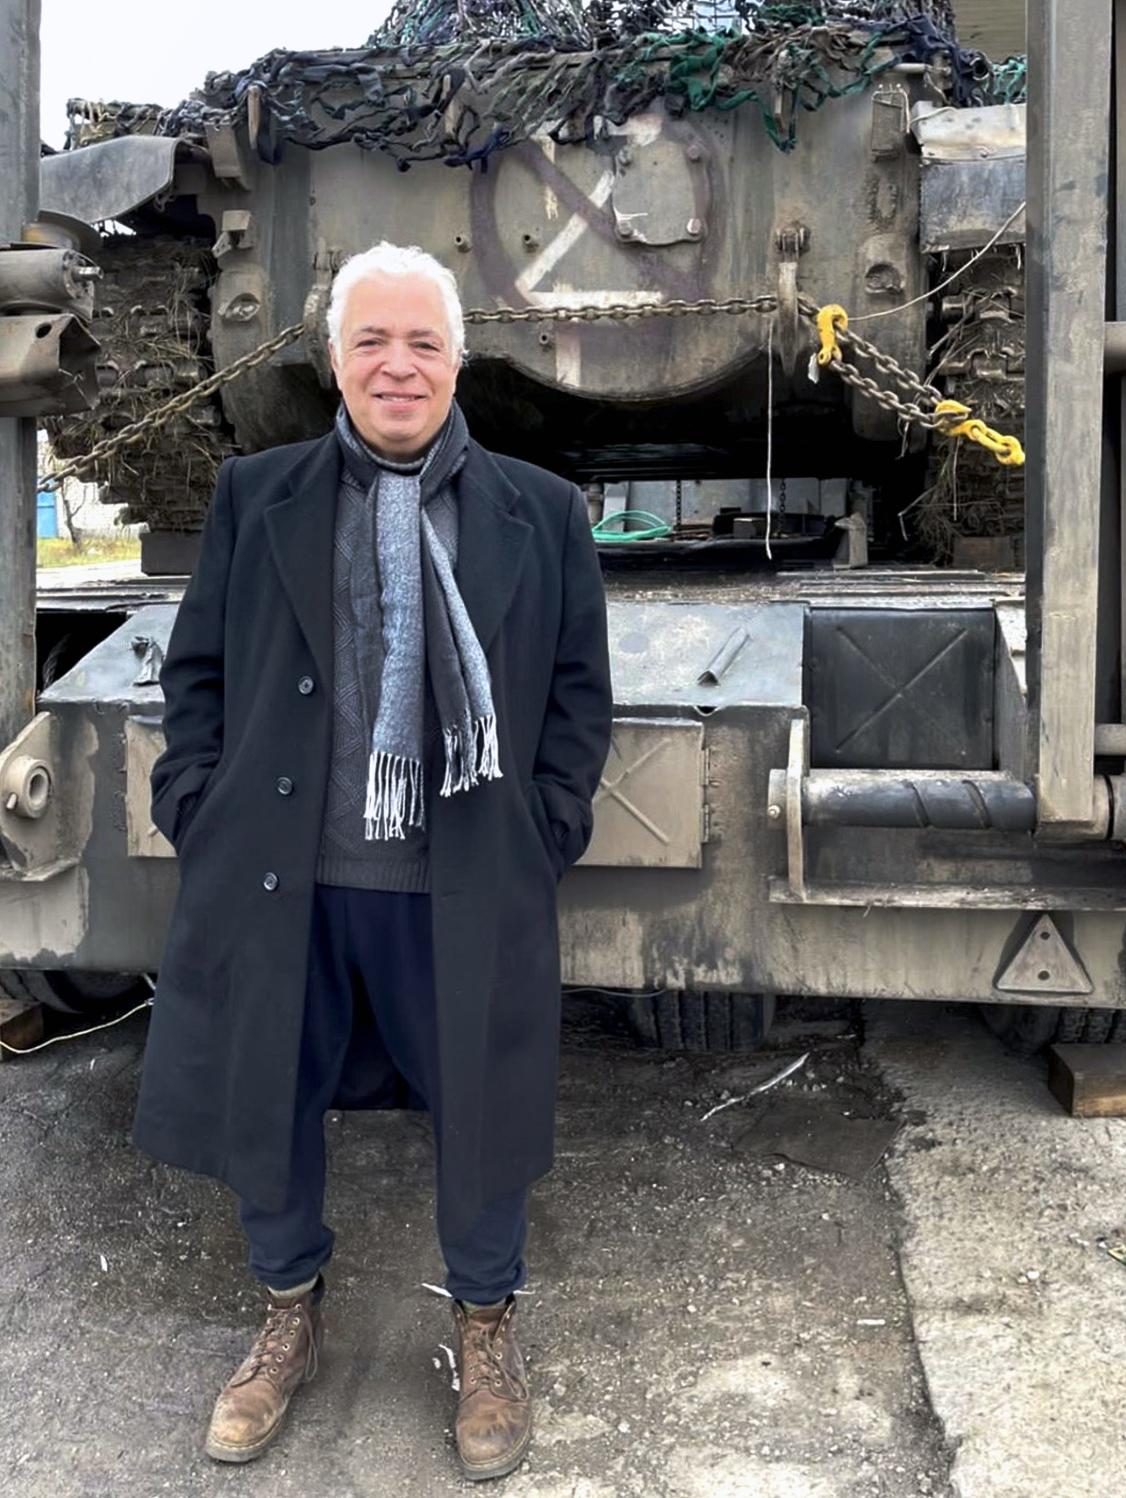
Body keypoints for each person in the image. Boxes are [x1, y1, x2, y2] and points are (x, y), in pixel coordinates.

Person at [135, 241, 613, 1480]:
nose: (397, 366)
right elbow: (199, 680)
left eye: (422, 342)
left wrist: (542, 828)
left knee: (485, 1103)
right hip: (287, 877)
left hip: (462, 883)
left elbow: (575, 701)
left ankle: (486, 1321)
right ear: (333, 359)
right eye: (371, 342)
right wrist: (201, 805)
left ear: (459, 359)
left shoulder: (541, 513)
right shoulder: (261, 494)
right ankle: (289, 1308)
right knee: (268, 1096)